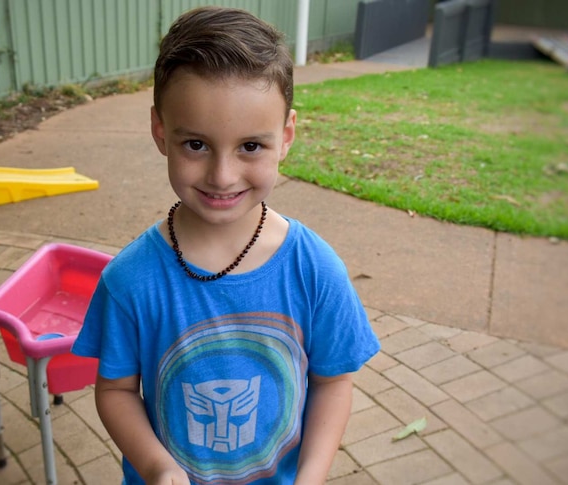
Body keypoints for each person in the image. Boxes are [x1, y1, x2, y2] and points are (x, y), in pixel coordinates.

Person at [72, 6, 380, 484]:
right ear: (160, 131)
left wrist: (312, 477)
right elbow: (115, 391)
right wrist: (158, 467)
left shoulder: (314, 270)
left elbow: (333, 381)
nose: (222, 176)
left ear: (287, 135)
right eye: (196, 144)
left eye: (251, 147)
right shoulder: (129, 280)